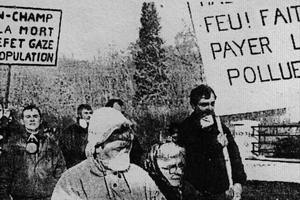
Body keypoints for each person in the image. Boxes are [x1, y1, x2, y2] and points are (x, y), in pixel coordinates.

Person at [52, 107, 166, 200]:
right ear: (97, 147)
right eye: (117, 149)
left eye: (127, 148)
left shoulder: (139, 176)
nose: (123, 154)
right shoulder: (72, 181)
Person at [178, 84, 246, 200]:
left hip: (221, 192)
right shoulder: (186, 127)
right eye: (204, 104)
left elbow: (234, 155)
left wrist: (238, 182)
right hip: (197, 192)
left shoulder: (219, 126)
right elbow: (195, 159)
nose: (209, 108)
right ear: (193, 105)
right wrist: (216, 145)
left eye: (212, 103)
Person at [0, 104, 66, 200]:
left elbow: (61, 172)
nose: (32, 120)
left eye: (35, 116)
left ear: (41, 120)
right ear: (22, 121)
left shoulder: (51, 145)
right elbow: (4, 176)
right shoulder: (13, 145)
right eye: (28, 117)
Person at [105, 98, 144, 166]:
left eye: (122, 113)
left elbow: (138, 154)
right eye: (116, 113)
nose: (120, 116)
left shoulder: (128, 131)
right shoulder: (100, 131)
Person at [60, 104, 93, 168]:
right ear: (79, 115)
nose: (89, 115)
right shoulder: (70, 131)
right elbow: (66, 152)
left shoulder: (94, 130)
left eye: (90, 113)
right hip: (75, 166)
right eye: (86, 113)